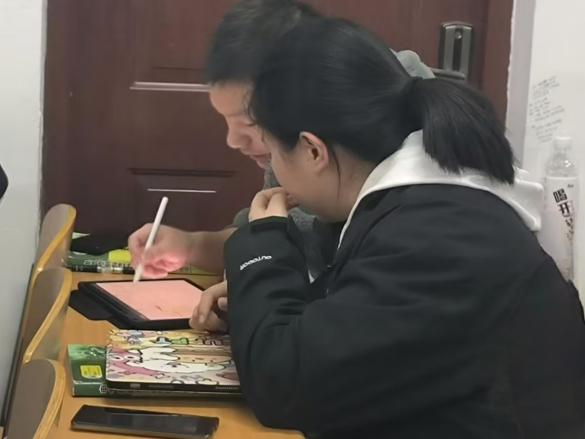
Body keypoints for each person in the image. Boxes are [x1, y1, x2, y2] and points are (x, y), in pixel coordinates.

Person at [222, 17, 585, 439]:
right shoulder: (428, 207)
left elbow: (283, 384)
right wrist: (251, 306)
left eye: (272, 152)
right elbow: (347, 328)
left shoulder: (443, 235)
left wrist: (264, 245)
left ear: (312, 150)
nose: (273, 168)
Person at [127, 0, 435, 331]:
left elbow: (343, 324)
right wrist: (193, 246)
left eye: (250, 124)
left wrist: (262, 299)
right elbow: (269, 241)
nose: (233, 140)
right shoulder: (295, 148)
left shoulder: (412, 205)